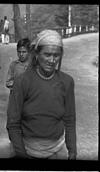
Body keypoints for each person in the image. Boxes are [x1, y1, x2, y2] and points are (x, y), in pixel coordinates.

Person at [6, 29, 77, 159]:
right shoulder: (22, 81)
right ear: (37, 54)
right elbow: (13, 123)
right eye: (47, 54)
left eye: (56, 55)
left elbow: (70, 120)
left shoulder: (67, 82)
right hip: (25, 149)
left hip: (56, 149)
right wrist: (22, 155)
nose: (52, 60)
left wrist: (72, 151)